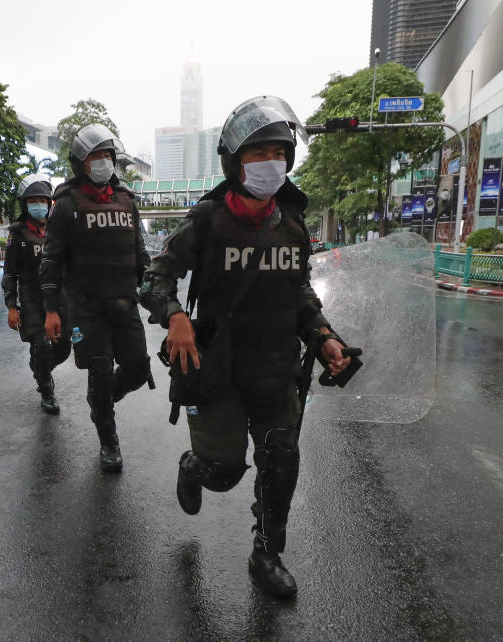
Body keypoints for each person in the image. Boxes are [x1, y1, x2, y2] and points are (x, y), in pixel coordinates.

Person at [138, 96, 353, 598]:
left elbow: (299, 292)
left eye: (278, 152)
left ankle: (267, 552)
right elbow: (154, 277)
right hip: (218, 370)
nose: (269, 163)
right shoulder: (207, 221)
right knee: (225, 472)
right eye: (257, 155)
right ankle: (193, 469)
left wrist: (324, 337)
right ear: (235, 163)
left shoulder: (294, 225)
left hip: (276, 369)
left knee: (281, 464)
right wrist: (174, 316)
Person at [39, 124, 153, 472]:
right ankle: (109, 441)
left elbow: (139, 253)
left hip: (124, 302)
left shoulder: (125, 201)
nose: (103, 161)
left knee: (136, 370)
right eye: (95, 156)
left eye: (107, 155)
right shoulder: (67, 203)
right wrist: (51, 311)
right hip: (88, 307)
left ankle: (101, 398)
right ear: (80, 163)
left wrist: (153, 290)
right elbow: (51, 259)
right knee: (100, 369)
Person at [2, 174, 71, 414]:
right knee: (41, 344)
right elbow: (9, 273)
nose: (38, 204)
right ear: (25, 203)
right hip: (31, 299)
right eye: (33, 200)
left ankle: (41, 368)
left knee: (63, 348)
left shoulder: (59, 229)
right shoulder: (17, 233)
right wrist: (11, 306)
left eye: (43, 199)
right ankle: (46, 390)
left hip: (60, 298)